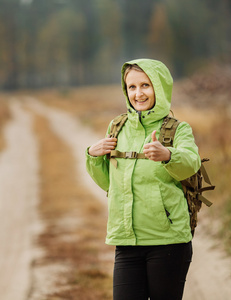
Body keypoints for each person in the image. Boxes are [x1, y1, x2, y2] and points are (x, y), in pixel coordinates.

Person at [85, 58, 200, 300]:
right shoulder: (117, 126)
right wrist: (93, 157)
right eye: (132, 87)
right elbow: (109, 184)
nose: (138, 93)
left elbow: (191, 163)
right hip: (126, 242)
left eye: (145, 85)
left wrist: (167, 155)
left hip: (168, 242)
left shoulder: (179, 129)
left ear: (160, 87)